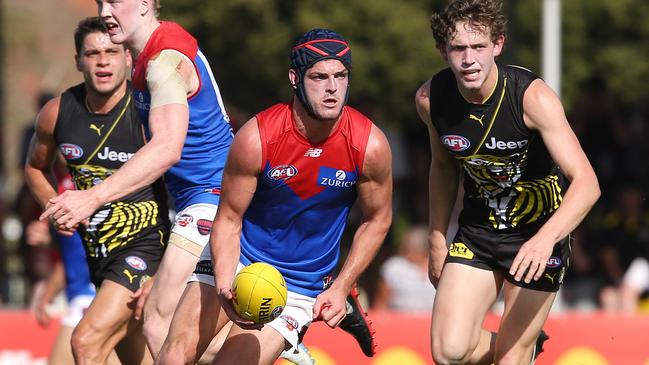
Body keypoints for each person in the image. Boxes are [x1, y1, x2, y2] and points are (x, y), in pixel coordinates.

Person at [155, 28, 392, 365]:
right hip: (239, 258)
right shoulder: (257, 138)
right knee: (174, 356)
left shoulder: (370, 145)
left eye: (341, 76)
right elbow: (229, 217)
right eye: (320, 77)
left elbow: (378, 219)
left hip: (298, 284)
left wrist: (341, 286)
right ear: (295, 78)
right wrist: (224, 282)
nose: (332, 88)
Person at [40, 0, 235, 357]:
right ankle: (273, 339)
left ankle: (275, 336)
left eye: (115, 2)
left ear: (146, 3)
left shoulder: (163, 63)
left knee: (159, 323)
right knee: (174, 332)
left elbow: (166, 149)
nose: (104, 12)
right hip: (209, 200)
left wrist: (91, 197)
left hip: (213, 198)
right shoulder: (152, 53)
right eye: (101, 3)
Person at [415, 1, 600, 364]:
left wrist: (545, 240)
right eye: (459, 48)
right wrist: (437, 238)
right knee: (447, 352)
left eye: (479, 47)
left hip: (537, 234)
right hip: (478, 232)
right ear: (443, 51)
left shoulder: (533, 98)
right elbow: (442, 168)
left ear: (497, 45)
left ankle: (519, 349)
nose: (469, 59)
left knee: (509, 361)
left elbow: (587, 184)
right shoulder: (430, 99)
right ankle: (522, 343)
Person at [25, 16, 170, 364]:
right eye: (92, 54)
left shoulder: (150, 111)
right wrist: (55, 206)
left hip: (146, 248)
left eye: (111, 51)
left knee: (86, 341)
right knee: (139, 358)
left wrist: (174, 267)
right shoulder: (57, 112)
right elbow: (34, 167)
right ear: (78, 61)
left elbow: (189, 181)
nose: (103, 60)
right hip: (97, 254)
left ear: (128, 58)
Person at [373, 225, 436, 312]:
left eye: (412, 249)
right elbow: (381, 303)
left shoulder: (438, 267)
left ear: (424, 251)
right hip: (399, 320)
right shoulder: (394, 266)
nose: (407, 253)